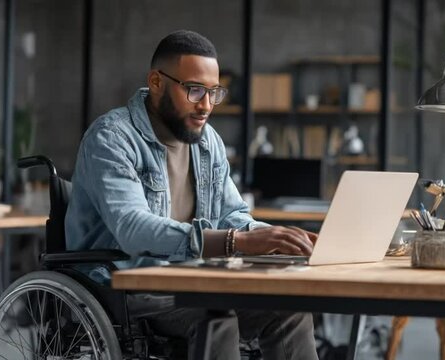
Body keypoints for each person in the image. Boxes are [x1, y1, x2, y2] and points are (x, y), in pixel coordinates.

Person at [66, 30, 319, 359]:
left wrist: (275, 237)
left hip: (191, 280)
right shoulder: (112, 138)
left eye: (214, 92)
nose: (206, 106)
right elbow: (132, 228)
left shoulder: (208, 141)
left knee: (289, 312)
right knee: (217, 319)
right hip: (124, 286)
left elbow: (232, 215)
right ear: (156, 82)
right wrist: (233, 242)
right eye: (195, 90)